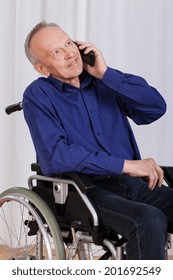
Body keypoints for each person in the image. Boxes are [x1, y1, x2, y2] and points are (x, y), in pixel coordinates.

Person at [23, 21, 173, 260]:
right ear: (42, 68)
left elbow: (155, 108)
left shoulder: (103, 81)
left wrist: (106, 73)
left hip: (133, 185)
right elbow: (57, 156)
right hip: (88, 193)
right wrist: (127, 165)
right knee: (149, 219)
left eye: (68, 43)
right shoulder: (38, 95)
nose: (70, 54)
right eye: (56, 52)